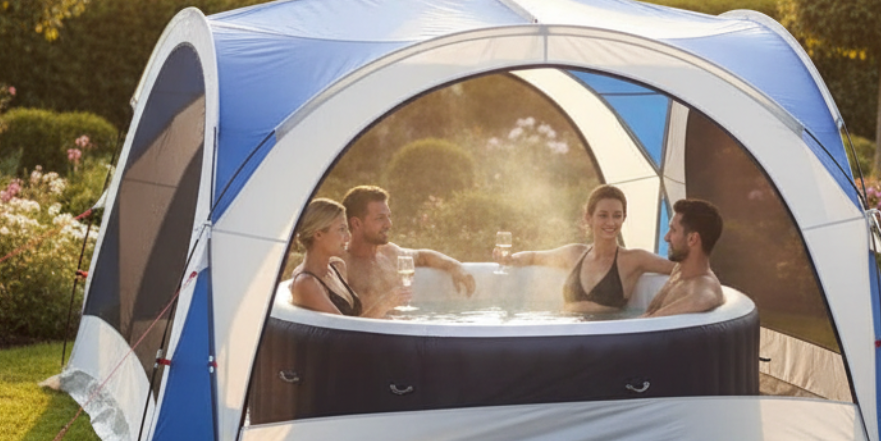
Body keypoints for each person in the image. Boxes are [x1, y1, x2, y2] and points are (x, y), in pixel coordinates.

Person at [509, 184, 675, 314]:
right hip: (566, 332)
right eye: (603, 215)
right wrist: (510, 259)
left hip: (603, 339)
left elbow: (678, 268)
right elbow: (532, 256)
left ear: (624, 218)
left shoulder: (634, 259)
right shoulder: (573, 254)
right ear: (589, 217)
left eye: (617, 216)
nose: (610, 223)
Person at [341, 185, 476, 304]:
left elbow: (423, 256)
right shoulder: (342, 265)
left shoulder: (390, 254)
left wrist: (456, 267)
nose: (389, 224)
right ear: (356, 224)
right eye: (380, 218)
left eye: (389, 217)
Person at [288, 198, 407, 317]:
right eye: (341, 230)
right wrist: (383, 305)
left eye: (346, 229)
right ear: (318, 234)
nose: (348, 237)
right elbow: (344, 330)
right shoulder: (306, 284)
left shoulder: (337, 266)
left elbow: (355, 318)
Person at [643, 198, 725, 317]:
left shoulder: (702, 288)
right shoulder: (679, 270)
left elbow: (706, 298)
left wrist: (653, 318)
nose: (666, 237)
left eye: (673, 230)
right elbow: (649, 316)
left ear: (692, 239)